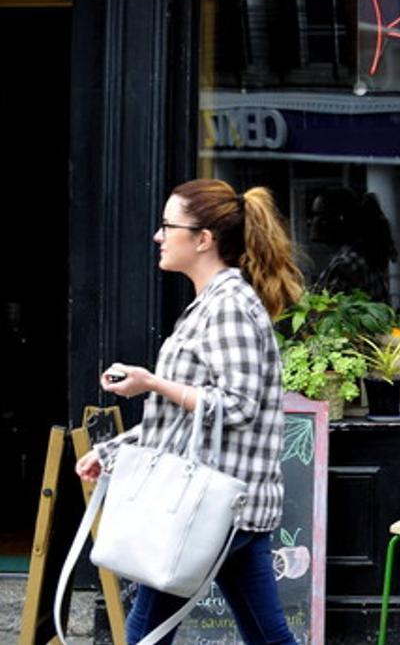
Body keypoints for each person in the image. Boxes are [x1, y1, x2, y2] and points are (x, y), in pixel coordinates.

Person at [75, 179, 304, 644]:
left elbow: (237, 406)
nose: (159, 236)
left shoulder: (229, 306)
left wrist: (152, 382)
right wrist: (114, 449)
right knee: (267, 637)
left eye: (167, 226)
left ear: (203, 239)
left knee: (145, 631)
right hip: (225, 507)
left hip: (209, 508)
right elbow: (183, 420)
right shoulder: (214, 304)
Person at [309, 187, 396, 302]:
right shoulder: (364, 256)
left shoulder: (344, 265)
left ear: (338, 218)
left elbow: (321, 313)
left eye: (317, 215)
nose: (310, 221)